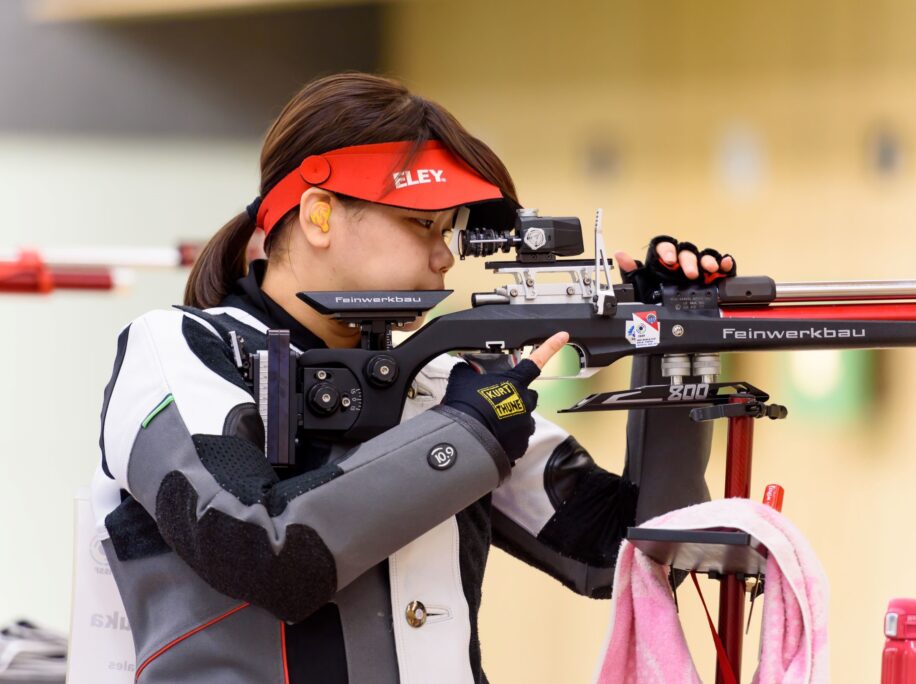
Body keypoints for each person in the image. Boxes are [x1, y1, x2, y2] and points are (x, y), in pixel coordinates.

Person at [92, 72, 735, 684]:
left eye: (451, 228)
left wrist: (675, 346)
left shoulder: (435, 376)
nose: (445, 254)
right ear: (318, 215)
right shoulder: (180, 347)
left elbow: (620, 554)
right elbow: (262, 551)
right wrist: (466, 432)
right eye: (422, 223)